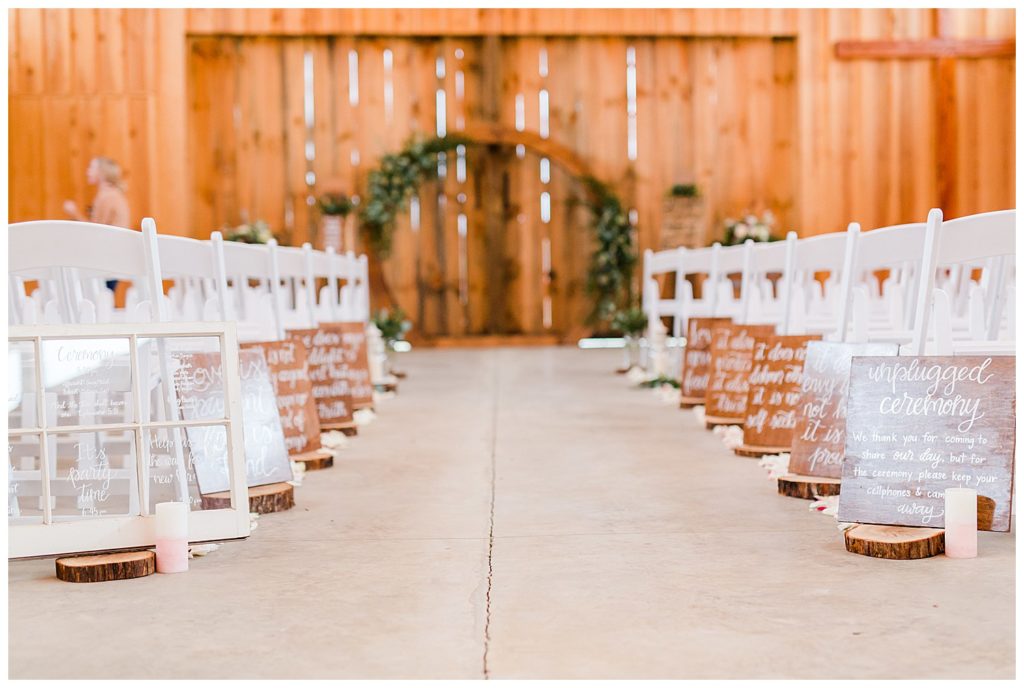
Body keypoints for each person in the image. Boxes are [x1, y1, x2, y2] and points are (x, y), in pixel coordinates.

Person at [64, 157, 131, 291]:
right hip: (113, 257)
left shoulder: (107, 196)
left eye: (91, 168)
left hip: (108, 260)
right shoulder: (112, 194)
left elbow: (95, 230)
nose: (87, 172)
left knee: (102, 298)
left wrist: (74, 213)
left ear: (102, 173)